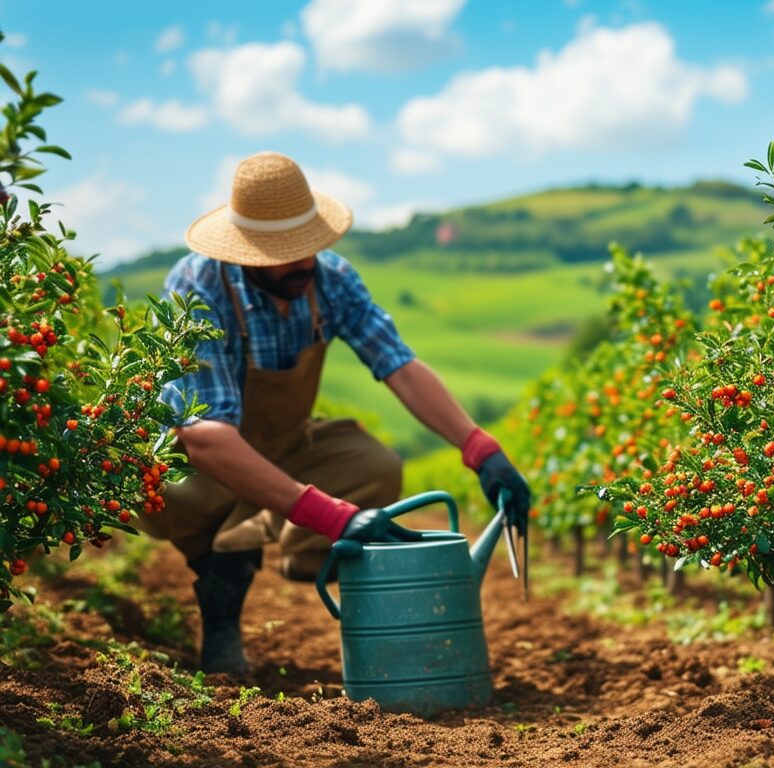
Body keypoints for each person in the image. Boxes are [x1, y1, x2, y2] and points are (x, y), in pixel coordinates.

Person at [144, 151, 531, 676]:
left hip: (284, 440)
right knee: (177, 493)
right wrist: (332, 514)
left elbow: (397, 363)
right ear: (245, 252)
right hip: (202, 459)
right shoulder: (198, 289)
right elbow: (206, 437)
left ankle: (305, 557)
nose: (304, 262)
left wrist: (480, 449)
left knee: (374, 468)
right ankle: (221, 590)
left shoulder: (329, 280)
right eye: (285, 253)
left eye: (309, 246)